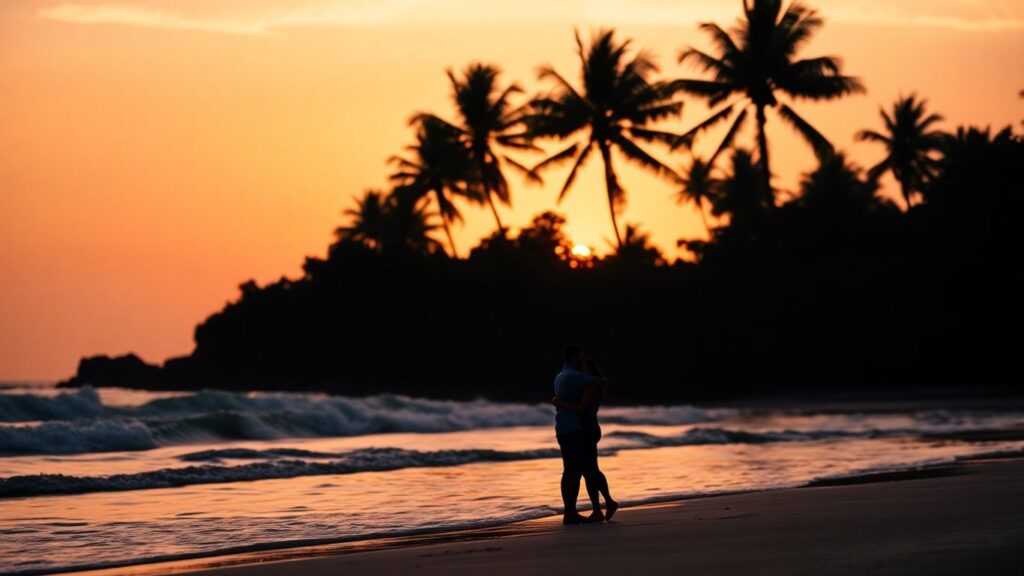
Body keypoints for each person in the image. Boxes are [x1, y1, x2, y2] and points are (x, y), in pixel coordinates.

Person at [553, 354, 618, 522]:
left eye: (583, 366)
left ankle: (606, 503)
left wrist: (560, 403)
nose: (580, 368)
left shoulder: (590, 387)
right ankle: (599, 508)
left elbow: (581, 409)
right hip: (587, 428)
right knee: (589, 471)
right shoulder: (587, 384)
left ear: (588, 370)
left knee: (590, 471)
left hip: (587, 429)